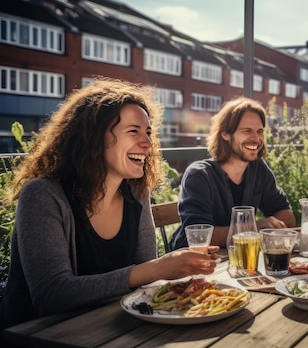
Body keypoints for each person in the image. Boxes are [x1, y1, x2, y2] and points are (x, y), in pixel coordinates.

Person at [0, 78, 220, 329]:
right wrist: (158, 268)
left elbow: (145, 283)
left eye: (148, 132)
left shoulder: (137, 192)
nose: (148, 143)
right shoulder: (43, 195)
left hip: (112, 326)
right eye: (133, 131)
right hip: (39, 335)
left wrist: (167, 273)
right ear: (92, 137)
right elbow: (51, 294)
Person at [170, 97, 296, 249]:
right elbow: (198, 237)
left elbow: (287, 216)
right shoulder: (199, 175)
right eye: (247, 131)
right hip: (194, 265)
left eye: (260, 131)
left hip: (238, 261)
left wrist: (265, 226)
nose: (256, 139)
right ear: (225, 134)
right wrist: (255, 228)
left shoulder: (258, 169)